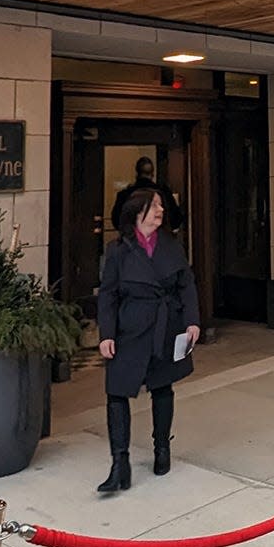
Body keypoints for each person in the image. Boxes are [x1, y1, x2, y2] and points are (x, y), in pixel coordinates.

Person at [96, 184, 200, 493]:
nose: (160, 210)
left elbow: (187, 284)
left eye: (161, 206)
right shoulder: (117, 250)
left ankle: (162, 449)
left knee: (162, 387)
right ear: (138, 211)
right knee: (117, 392)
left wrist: (193, 321)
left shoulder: (172, 244)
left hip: (165, 325)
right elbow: (108, 294)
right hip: (129, 328)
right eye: (154, 206)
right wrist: (106, 334)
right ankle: (120, 464)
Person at [110, 155, 184, 233]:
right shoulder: (163, 193)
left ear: (137, 173)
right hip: (158, 239)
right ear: (152, 174)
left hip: (132, 239)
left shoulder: (125, 195)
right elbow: (176, 220)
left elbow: (117, 221)